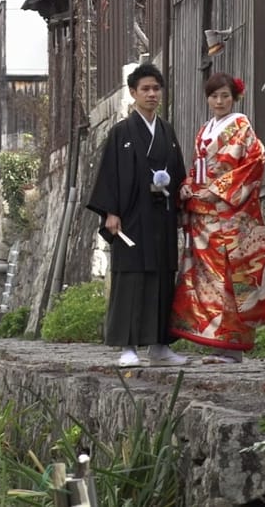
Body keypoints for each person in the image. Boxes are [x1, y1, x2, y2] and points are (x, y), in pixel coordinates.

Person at [170, 73, 265, 364]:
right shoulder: (204, 130)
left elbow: (254, 161)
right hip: (203, 218)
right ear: (207, 98)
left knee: (229, 279)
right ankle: (217, 343)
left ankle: (233, 347)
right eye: (214, 96)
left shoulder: (241, 125)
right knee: (208, 282)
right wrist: (188, 186)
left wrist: (220, 189)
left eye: (225, 95)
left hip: (229, 216)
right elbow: (199, 167)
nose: (219, 101)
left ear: (234, 97)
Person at [86, 63, 188, 368]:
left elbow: (179, 173)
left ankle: (159, 345)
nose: (152, 94)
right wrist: (110, 213)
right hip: (131, 217)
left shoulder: (167, 131)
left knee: (161, 276)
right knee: (130, 279)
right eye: (145, 89)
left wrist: (182, 197)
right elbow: (109, 175)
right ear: (133, 93)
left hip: (161, 216)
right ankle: (127, 346)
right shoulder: (122, 132)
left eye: (156, 88)